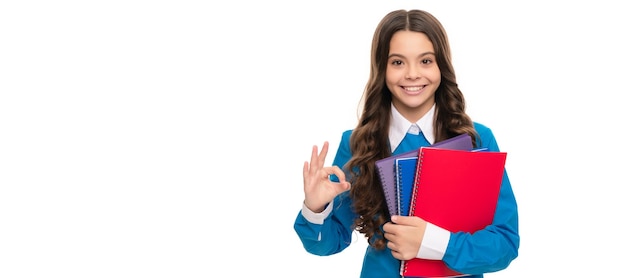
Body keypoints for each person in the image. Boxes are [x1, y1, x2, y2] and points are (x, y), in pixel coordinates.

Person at [293, 9, 520, 278]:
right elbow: (327, 244)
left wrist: (432, 243)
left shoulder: (476, 140)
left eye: (425, 61)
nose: (412, 74)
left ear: (441, 67)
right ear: (382, 69)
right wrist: (315, 208)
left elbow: (504, 244)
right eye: (398, 62)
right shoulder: (356, 143)